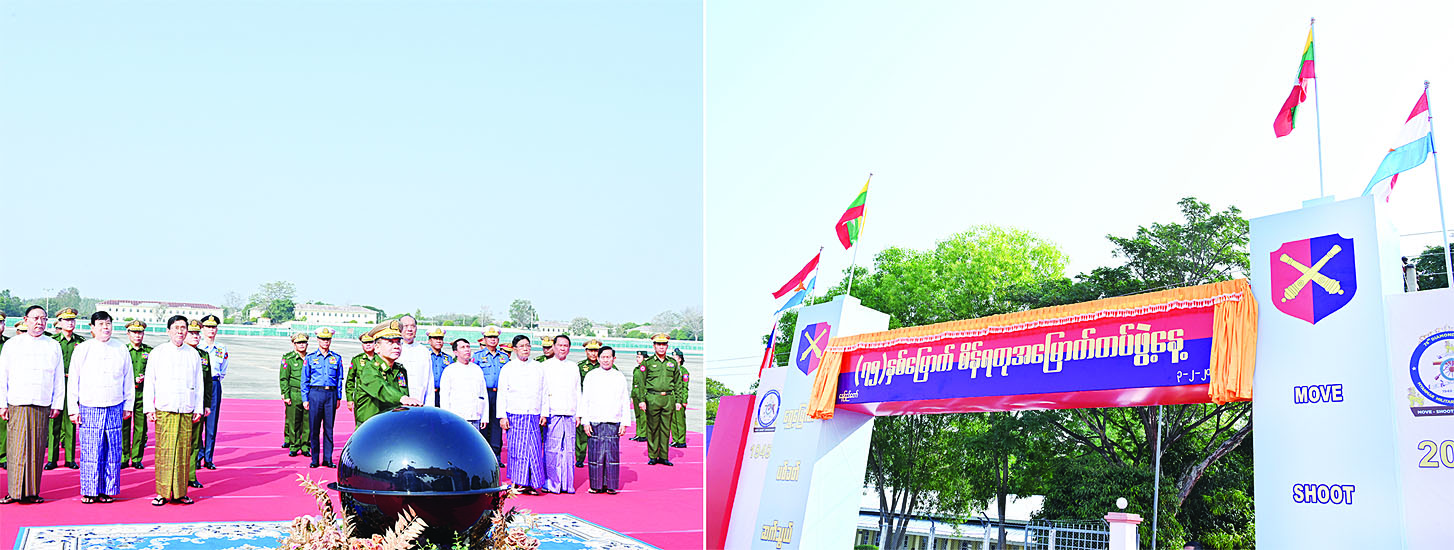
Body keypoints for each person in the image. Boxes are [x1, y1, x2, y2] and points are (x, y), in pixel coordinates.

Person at [67, 311, 134, 504]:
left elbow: (128, 379)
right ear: (92, 327)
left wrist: (128, 405)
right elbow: (74, 380)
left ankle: (107, 490)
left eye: (108, 323)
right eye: (101, 324)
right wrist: (73, 409)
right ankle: (90, 490)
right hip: (90, 406)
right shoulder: (83, 349)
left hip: (115, 405)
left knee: (112, 450)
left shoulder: (121, 348)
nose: (105, 327)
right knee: (91, 450)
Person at [0, 307, 65, 504]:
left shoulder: (53, 345)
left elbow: (58, 377)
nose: (39, 322)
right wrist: (2, 403)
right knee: (16, 448)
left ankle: (32, 492)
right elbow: (3, 376)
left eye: (43, 319)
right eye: (35, 318)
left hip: (42, 402)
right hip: (18, 402)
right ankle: (14, 492)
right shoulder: (13, 344)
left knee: (36, 449)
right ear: (25, 319)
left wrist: (57, 403)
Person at [143, 315, 204, 505]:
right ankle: (162, 493)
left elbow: (199, 383)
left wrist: (198, 407)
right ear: (168, 331)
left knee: (183, 451)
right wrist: (149, 407)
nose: (180, 331)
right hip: (165, 408)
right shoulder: (158, 352)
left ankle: (180, 492)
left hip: (186, 408)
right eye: (176, 328)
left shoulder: (193, 354)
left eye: (183, 328)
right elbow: (149, 381)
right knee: (165, 451)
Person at [496, 335, 545, 495]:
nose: (525, 348)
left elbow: (544, 391)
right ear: (515, 349)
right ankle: (518, 482)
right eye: (522, 346)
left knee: (534, 450)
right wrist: (502, 416)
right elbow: (502, 393)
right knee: (518, 450)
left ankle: (533, 483)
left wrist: (544, 413)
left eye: (528, 345)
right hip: (515, 414)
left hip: (533, 414)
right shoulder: (508, 368)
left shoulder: (538, 367)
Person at [579, 346, 632, 494]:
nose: (606, 360)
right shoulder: (591, 376)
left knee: (611, 455)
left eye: (609, 357)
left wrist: (624, 423)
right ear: (598, 358)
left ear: (614, 359)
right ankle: (596, 485)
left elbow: (624, 400)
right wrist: (585, 421)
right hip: (595, 420)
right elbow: (585, 399)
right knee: (595, 455)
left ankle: (611, 485)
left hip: (613, 421)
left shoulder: (619, 376)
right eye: (603, 357)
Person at [352, 321, 422, 426]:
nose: (396, 346)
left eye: (398, 342)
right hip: (370, 428)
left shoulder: (400, 370)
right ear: (377, 347)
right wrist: (403, 398)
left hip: (391, 426)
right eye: (390, 342)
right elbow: (382, 389)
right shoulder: (368, 369)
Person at [633, 334, 684, 466]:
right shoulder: (648, 363)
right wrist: (642, 400)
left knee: (666, 429)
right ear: (654, 346)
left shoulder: (672, 363)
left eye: (664, 344)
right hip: (652, 398)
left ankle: (663, 456)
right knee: (652, 428)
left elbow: (678, 383)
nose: (661, 347)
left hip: (668, 398)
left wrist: (678, 400)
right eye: (658, 344)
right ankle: (653, 456)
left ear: (667, 346)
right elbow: (641, 383)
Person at [540, 334, 580, 493]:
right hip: (553, 412)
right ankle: (551, 483)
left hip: (570, 413)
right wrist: (544, 412)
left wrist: (579, 414)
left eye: (566, 346)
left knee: (569, 450)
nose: (563, 348)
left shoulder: (573, 367)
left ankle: (567, 484)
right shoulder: (545, 366)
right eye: (560, 345)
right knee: (552, 449)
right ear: (554, 347)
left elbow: (577, 391)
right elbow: (543, 391)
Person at [46, 307, 85, 470]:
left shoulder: (81, 342)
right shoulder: (52, 341)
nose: (70, 323)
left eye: (72, 320)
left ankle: (70, 458)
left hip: (73, 384)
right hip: (56, 383)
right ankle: (52, 459)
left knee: (71, 421)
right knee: (54, 421)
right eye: (66, 320)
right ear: (60, 322)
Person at [302, 327, 343, 468]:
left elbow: (339, 379)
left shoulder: (336, 358)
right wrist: (305, 399)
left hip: (330, 394)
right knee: (314, 428)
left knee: (329, 429)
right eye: (323, 339)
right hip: (315, 393)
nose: (325, 342)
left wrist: (338, 397)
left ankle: (327, 459)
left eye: (328, 339)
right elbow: (305, 379)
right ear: (318, 340)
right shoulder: (310, 358)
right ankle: (314, 459)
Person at [471, 326, 509, 459]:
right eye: (490, 337)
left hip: (499, 394)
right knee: (483, 424)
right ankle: (483, 455)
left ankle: (495, 455)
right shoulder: (477, 356)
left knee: (497, 424)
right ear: (484, 339)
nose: (493, 340)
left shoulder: (504, 357)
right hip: (484, 394)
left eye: (495, 337)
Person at [183, 321, 212, 489]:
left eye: (197, 333)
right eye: (192, 333)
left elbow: (207, 383)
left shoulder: (204, 355)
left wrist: (206, 404)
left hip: (197, 405)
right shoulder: (179, 352)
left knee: (195, 441)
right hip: (179, 404)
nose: (195, 336)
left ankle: (191, 475)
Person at [196, 315, 227, 470]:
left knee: (211, 424)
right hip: (199, 384)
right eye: (208, 327)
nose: (211, 330)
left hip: (214, 384)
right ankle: (197, 455)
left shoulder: (221, 349)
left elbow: (223, 370)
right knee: (197, 422)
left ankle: (208, 458)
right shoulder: (197, 347)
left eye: (213, 327)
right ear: (202, 329)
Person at [439, 339, 487, 429]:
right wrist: (446, 417)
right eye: (463, 347)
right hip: (456, 417)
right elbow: (444, 396)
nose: (467, 349)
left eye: (468, 347)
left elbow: (483, 394)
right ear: (455, 352)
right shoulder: (449, 370)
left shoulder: (477, 369)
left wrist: (485, 416)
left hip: (475, 416)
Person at [122, 321, 151, 469]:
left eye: (140, 332)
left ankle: (137, 458)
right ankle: (124, 457)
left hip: (142, 394)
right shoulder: (122, 350)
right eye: (134, 332)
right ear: (128, 334)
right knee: (124, 426)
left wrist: (145, 377)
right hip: (125, 394)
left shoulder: (149, 352)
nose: (137, 335)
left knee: (140, 428)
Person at [279, 333, 310, 457]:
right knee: (293, 421)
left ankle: (306, 446)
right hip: (294, 392)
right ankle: (294, 445)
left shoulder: (311, 358)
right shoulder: (289, 359)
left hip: (308, 393)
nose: (302, 345)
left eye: (304, 342)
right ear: (294, 344)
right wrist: (285, 394)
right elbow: (284, 378)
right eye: (299, 343)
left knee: (307, 422)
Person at [574, 339, 603, 467]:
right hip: (584, 402)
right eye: (590, 350)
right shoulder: (580, 366)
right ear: (586, 352)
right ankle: (580, 457)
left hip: (600, 404)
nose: (593, 353)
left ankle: (597, 457)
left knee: (599, 431)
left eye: (596, 350)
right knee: (581, 433)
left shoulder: (605, 365)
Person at [397, 315, 433, 407]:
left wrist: (429, 405)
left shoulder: (424, 351)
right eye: (406, 326)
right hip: (398, 404)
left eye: (412, 326)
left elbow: (429, 381)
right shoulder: (394, 349)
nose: (409, 329)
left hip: (419, 403)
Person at [345, 332, 377, 414]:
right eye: (365, 343)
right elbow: (350, 380)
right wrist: (349, 398)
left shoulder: (381, 360)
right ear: (362, 345)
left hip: (378, 399)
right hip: (361, 398)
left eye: (370, 342)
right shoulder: (356, 360)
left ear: (375, 343)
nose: (368, 345)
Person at [425, 327, 452, 407]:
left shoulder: (448, 358)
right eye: (435, 338)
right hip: (428, 393)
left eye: (440, 338)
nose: (438, 341)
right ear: (429, 341)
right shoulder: (424, 356)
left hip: (443, 393)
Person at [671, 348, 690, 448]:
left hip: (680, 399)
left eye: (675, 357)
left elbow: (685, 387)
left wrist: (684, 400)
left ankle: (681, 441)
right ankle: (675, 439)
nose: (673, 358)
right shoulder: (670, 370)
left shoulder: (683, 371)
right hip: (671, 399)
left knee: (680, 421)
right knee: (672, 421)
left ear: (680, 359)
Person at [630, 350, 650, 441]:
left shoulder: (647, 369)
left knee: (643, 415)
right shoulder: (636, 369)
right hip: (635, 393)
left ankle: (643, 434)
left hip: (642, 394)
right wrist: (632, 395)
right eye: (637, 357)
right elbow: (634, 383)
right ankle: (638, 433)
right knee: (637, 415)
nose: (637, 359)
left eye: (639, 357)